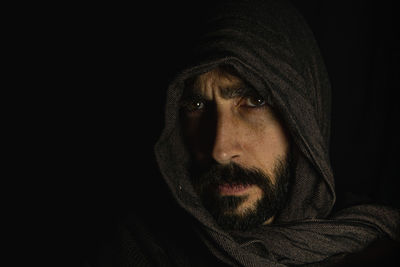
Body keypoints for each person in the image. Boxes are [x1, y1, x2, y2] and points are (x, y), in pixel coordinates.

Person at [86, 0, 400, 266]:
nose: (220, 150)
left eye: (254, 101)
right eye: (195, 104)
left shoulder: (374, 248)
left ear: (304, 116)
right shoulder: (134, 250)